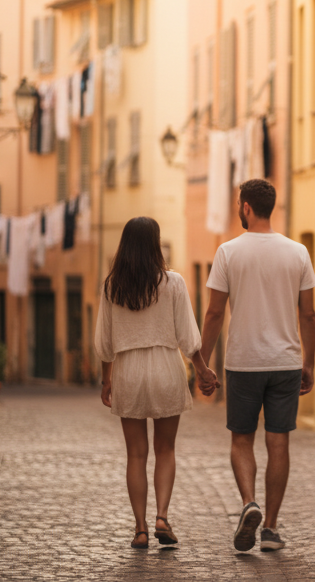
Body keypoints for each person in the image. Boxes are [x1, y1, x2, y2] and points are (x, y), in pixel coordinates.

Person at [199, 179, 315, 553]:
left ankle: (249, 502)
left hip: (244, 362)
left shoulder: (228, 252)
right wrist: (308, 362)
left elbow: (215, 312)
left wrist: (202, 362)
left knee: (241, 439)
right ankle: (270, 528)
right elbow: (309, 313)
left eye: (238, 204)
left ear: (246, 207)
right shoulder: (298, 252)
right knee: (278, 441)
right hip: (285, 361)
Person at [94, 217, 218, 550]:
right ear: (155, 244)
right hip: (166, 366)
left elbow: (104, 342)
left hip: (128, 370)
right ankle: (162, 516)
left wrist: (107, 380)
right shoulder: (173, 283)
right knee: (165, 449)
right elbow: (189, 338)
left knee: (136, 454)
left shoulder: (111, 286)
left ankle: (140, 529)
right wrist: (204, 371)